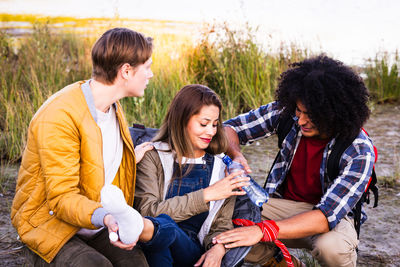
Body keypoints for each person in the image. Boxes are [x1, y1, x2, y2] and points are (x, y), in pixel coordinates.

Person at [11, 28, 156, 266]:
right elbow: (62, 198)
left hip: (92, 221)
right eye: (147, 67)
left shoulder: (112, 106)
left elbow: (93, 159)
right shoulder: (60, 115)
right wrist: (108, 217)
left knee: (135, 262)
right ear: (126, 71)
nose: (151, 74)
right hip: (48, 223)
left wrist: (130, 157)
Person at [213, 55, 375, 267]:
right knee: (221, 220)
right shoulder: (288, 113)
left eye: (310, 115)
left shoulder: (359, 150)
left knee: (332, 248)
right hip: (282, 205)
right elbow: (228, 129)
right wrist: (235, 154)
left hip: (332, 218)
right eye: (298, 111)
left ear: (334, 114)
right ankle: (284, 263)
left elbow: (325, 216)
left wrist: (261, 230)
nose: (300, 120)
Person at [133, 84, 251, 267]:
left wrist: (218, 249)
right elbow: (147, 212)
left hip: (191, 253)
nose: (211, 131)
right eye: (204, 124)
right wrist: (205, 195)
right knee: (161, 229)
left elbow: (221, 225)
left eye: (215, 124)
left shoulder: (221, 168)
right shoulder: (153, 157)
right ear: (182, 119)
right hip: (151, 247)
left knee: (164, 229)